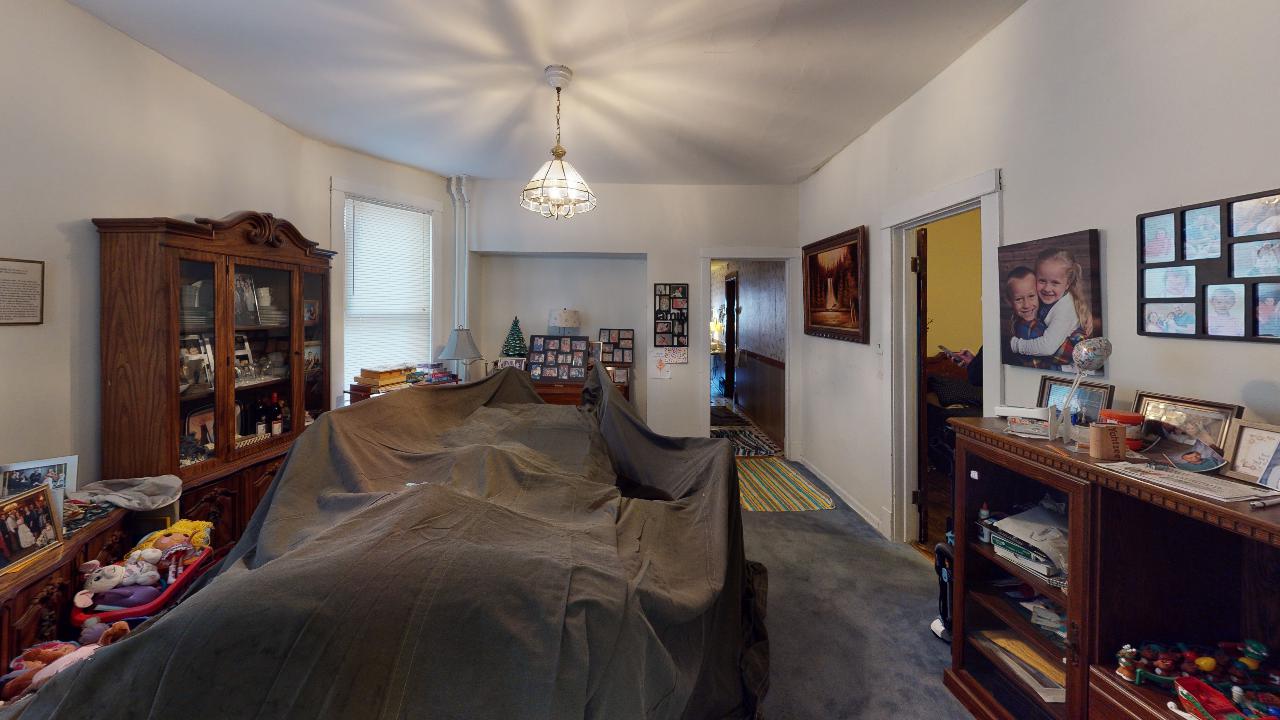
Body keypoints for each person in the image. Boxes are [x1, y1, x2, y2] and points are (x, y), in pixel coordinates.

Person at [1009, 248, 1092, 371]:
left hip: (1068, 369)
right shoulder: (1046, 298)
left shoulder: (1065, 309)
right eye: (1042, 281)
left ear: (1067, 284)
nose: (1047, 288)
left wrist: (1015, 344)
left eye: (1055, 283)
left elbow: (1047, 347)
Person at [1002, 267, 1050, 368]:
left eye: (1031, 296)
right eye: (1019, 299)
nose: (1026, 305)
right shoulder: (1028, 329)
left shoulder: (1043, 313)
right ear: (1009, 301)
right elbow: (1063, 352)